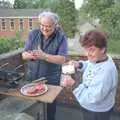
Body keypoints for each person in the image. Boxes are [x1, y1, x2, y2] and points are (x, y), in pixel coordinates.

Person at [62, 30, 118, 120]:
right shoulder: (100, 58)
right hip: (91, 107)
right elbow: (90, 64)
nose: (87, 54)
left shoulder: (106, 72)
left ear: (103, 49)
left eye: (92, 50)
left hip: (97, 111)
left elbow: (92, 98)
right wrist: (79, 64)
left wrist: (73, 85)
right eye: (86, 50)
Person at [22, 11, 68, 120]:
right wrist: (31, 55)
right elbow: (24, 55)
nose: (45, 29)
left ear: (55, 25)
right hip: (33, 78)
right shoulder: (33, 34)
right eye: (42, 25)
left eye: (49, 26)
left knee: (49, 109)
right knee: (34, 106)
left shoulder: (61, 37)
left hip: (51, 80)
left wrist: (44, 56)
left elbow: (62, 59)